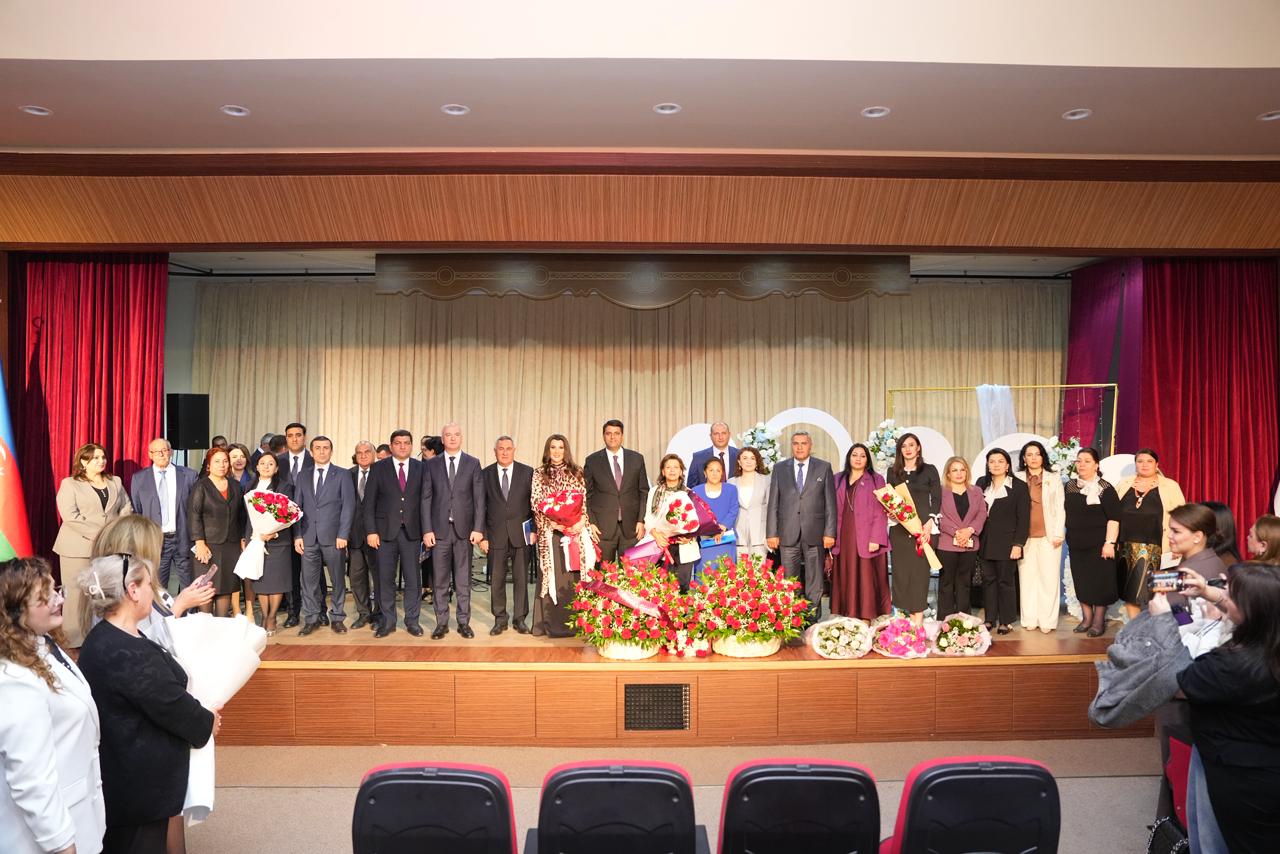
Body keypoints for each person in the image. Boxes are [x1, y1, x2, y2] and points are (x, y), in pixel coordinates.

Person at [76, 554, 218, 854]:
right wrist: (206, 720)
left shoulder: (107, 636)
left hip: (125, 778)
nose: (153, 591)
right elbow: (169, 704)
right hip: (137, 788)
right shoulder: (124, 652)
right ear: (133, 590)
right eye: (148, 584)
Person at [1152, 562, 1280, 852]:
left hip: (1235, 773)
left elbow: (1176, 681)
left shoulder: (1232, 665)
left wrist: (1163, 623)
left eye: (1230, 595)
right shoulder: (1268, 646)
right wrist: (1210, 594)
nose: (1223, 596)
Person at [0, 556, 106, 854]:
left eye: (55, 590)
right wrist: (62, 844)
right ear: (16, 611)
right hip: (48, 836)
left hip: (80, 811)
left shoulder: (44, 643)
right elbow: (31, 780)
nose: (59, 600)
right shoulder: (14, 678)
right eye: (44, 597)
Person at [92, 515, 215, 651]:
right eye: (157, 549)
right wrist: (180, 605)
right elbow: (145, 644)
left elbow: (158, 612)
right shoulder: (127, 594)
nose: (160, 555)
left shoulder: (132, 584)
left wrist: (183, 597)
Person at [54, 442, 133, 648]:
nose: (101, 461)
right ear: (83, 462)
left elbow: (126, 508)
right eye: (95, 458)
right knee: (76, 595)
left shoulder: (115, 481)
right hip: (77, 548)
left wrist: (115, 532)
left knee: (104, 593)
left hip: (109, 547)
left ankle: (102, 638)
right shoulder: (70, 484)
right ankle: (74, 642)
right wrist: (100, 534)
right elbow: (70, 516)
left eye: (103, 457)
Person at [422, 423, 485, 640]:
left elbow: (479, 499)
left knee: (463, 580)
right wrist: (427, 529)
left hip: (464, 532)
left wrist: (478, 528)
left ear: (461, 437)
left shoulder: (473, 463)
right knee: (439, 580)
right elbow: (426, 498)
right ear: (442, 439)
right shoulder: (431, 464)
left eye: (456, 434)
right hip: (439, 532)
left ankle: (463, 622)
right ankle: (441, 623)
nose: (452, 438)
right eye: (448, 435)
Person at [531, 435, 598, 636]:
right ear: (548, 450)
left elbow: (584, 502)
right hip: (551, 534)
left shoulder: (577, 472)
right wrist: (553, 523)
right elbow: (536, 502)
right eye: (553, 447)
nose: (557, 451)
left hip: (575, 534)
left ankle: (577, 623)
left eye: (561, 447)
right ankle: (551, 624)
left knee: (573, 577)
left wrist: (580, 522)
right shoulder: (539, 473)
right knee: (554, 575)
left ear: (566, 450)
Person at [766, 431, 837, 621]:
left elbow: (830, 503)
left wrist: (830, 532)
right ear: (792, 445)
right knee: (789, 581)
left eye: (803, 443)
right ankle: (793, 621)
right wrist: (771, 533)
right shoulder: (780, 468)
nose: (799, 447)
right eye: (795, 443)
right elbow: (773, 503)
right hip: (787, 533)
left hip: (816, 534)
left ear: (810, 445)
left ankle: (812, 621)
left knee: (815, 581)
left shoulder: (823, 467)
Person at [364, 429, 427, 637]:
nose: (402, 446)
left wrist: (427, 531)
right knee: (385, 579)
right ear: (391, 446)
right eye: (398, 443)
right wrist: (371, 531)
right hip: (384, 534)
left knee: (413, 579)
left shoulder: (421, 468)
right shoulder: (378, 468)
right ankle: (388, 621)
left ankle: (412, 621)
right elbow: (369, 503)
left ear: (411, 446)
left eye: (406, 443)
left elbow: (426, 501)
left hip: (412, 533)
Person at [292, 436, 354, 635]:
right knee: (308, 582)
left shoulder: (343, 474)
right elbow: (296, 507)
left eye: (325, 448)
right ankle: (312, 618)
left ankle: (337, 617)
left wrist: (343, 534)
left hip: (335, 538)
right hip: (308, 537)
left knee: (337, 580)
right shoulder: (303, 475)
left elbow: (348, 507)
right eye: (317, 448)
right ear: (311, 452)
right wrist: (297, 535)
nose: (321, 451)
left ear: (331, 451)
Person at [1116, 448, 1187, 618]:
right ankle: (1136, 628)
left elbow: (1182, 517)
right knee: (1131, 595)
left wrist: (1178, 545)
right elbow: (1112, 514)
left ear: (1157, 464)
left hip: (1160, 548)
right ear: (1135, 464)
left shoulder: (1170, 486)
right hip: (1126, 549)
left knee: (1162, 594)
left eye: (1149, 461)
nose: (1144, 465)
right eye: (1140, 461)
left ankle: (1172, 627)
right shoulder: (1124, 484)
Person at [831, 443, 892, 620]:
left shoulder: (876, 480)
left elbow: (881, 511)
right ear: (849, 458)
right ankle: (847, 616)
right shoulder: (837, 479)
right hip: (843, 535)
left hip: (868, 537)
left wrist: (876, 538)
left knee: (866, 579)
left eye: (862, 456)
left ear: (867, 460)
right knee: (846, 575)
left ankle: (866, 618)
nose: (858, 459)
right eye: (854, 455)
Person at [884, 433, 940, 626]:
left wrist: (930, 521)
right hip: (900, 530)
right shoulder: (893, 472)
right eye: (903, 446)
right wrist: (891, 512)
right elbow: (889, 498)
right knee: (900, 575)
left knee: (919, 575)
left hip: (922, 530)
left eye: (911, 445)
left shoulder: (929, 470)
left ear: (918, 448)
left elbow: (937, 497)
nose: (908, 449)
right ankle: (902, 623)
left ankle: (918, 622)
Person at [1064, 447, 1121, 637]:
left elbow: (1114, 518)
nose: (1082, 464)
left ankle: (1098, 621)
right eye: (1079, 461)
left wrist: (1109, 543)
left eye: (1087, 461)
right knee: (1082, 581)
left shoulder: (1105, 488)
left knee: (1100, 582)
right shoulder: (1070, 486)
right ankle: (1086, 618)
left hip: (1100, 544)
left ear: (1096, 465)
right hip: (1076, 544)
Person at [480, 436, 534, 635]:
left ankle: (520, 619)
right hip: (495, 536)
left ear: (514, 450)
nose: (504, 452)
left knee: (521, 580)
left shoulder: (527, 472)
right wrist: (483, 536)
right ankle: (500, 619)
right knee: (497, 580)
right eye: (501, 449)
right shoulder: (485, 474)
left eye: (508, 448)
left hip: (521, 536)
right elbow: (480, 507)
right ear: (494, 451)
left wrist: (534, 531)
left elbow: (534, 505)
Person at [130, 438, 197, 594]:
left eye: (164, 450)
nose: (161, 454)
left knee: (190, 587)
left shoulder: (189, 475)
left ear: (171, 452)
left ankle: (189, 610)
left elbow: (196, 510)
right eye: (156, 451)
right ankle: (161, 611)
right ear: (150, 454)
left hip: (183, 538)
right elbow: (137, 512)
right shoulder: (139, 478)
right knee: (157, 589)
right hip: (156, 541)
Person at [975, 448, 1030, 635]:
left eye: (1000, 461)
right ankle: (990, 618)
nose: (996, 465)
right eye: (992, 461)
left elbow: (1023, 518)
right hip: (985, 541)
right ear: (988, 465)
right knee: (988, 581)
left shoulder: (1019, 486)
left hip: (1008, 542)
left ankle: (1006, 620)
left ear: (1007, 465)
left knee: (1005, 582)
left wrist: (1018, 544)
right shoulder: (981, 484)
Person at [187, 447, 247, 617]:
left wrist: (242, 538)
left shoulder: (235, 485)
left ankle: (221, 624)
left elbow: (241, 515)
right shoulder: (201, 486)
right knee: (206, 587)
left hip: (231, 545)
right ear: (209, 465)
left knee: (225, 587)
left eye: (225, 461)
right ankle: (206, 625)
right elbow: (194, 515)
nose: (222, 465)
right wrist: (199, 543)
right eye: (217, 461)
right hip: (207, 545)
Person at [1016, 440, 1066, 634]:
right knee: (1027, 578)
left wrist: (1059, 533)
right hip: (1024, 536)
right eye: (1029, 455)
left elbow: (1060, 507)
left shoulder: (1054, 478)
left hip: (1049, 535)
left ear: (1043, 457)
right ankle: (1029, 618)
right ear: (1024, 458)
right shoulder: (1017, 477)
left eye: (1037, 454)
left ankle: (1047, 620)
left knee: (1049, 578)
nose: (1034, 458)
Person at [583, 419, 650, 563]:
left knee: (631, 572)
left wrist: (641, 520)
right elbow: (587, 495)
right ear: (603, 436)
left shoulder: (637, 459)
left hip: (632, 528)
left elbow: (644, 492)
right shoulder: (592, 461)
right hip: (602, 529)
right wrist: (591, 522)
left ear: (622, 436)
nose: (612, 437)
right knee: (603, 573)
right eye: (608, 433)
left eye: (616, 433)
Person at [242, 453, 294, 634]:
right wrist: (247, 537)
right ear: (256, 467)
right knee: (261, 581)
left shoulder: (285, 487)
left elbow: (288, 515)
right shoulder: (249, 486)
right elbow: (247, 517)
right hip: (256, 539)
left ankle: (272, 617)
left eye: (270, 464)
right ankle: (264, 615)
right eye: (262, 463)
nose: (266, 467)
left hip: (278, 541)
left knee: (276, 581)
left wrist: (273, 532)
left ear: (276, 468)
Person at [936, 456, 987, 619]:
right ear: (948, 474)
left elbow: (982, 513)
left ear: (967, 472)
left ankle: (964, 621)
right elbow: (938, 516)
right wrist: (957, 532)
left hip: (970, 544)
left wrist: (970, 530)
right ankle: (944, 621)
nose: (959, 473)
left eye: (962, 470)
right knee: (946, 584)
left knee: (964, 583)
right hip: (947, 544)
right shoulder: (940, 491)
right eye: (954, 470)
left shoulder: (976, 491)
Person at [277, 423, 314, 628]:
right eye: (290, 435)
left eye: (298, 435)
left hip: (310, 524)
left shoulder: (314, 459)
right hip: (283, 526)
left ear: (304, 437)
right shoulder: (278, 461)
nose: (294, 439)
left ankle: (320, 611)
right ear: (286, 438)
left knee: (313, 571)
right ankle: (293, 612)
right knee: (290, 571)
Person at [645, 454, 699, 592]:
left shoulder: (689, 493)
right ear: (663, 471)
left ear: (681, 471)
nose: (672, 470)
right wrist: (656, 535)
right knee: (662, 588)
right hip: (661, 544)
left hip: (683, 545)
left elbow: (696, 520)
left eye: (676, 467)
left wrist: (690, 536)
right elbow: (648, 518)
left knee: (683, 587)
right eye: (668, 467)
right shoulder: (654, 491)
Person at [346, 441, 378, 629]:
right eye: (359, 452)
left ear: (374, 454)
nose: (363, 455)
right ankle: (364, 613)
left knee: (379, 577)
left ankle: (379, 614)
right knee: (357, 577)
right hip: (355, 536)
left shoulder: (382, 473)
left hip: (378, 535)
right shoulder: (347, 475)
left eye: (367, 452)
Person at [691, 457, 739, 580]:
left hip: (726, 540)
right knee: (705, 577)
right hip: (705, 541)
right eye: (711, 470)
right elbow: (694, 514)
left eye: (718, 470)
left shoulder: (731, 489)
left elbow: (733, 510)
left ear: (722, 473)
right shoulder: (696, 491)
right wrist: (711, 530)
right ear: (705, 473)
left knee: (726, 578)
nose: (714, 473)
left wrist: (722, 527)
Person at [1167, 503, 1230, 586]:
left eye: (1176, 531)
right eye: (1170, 530)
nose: (1169, 535)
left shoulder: (1189, 572)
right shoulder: (1215, 560)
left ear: (1197, 537)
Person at [729, 447, 771, 560]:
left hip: (760, 535)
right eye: (745, 458)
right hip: (738, 535)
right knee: (739, 570)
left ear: (757, 462)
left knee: (759, 570)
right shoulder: (731, 482)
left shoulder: (767, 480)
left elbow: (771, 508)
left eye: (752, 458)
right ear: (739, 462)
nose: (748, 461)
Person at [688, 422, 739, 489]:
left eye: (723, 433)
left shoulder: (740, 455)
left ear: (729, 435)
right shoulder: (698, 457)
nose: (720, 437)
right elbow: (691, 487)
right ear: (711, 436)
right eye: (716, 434)